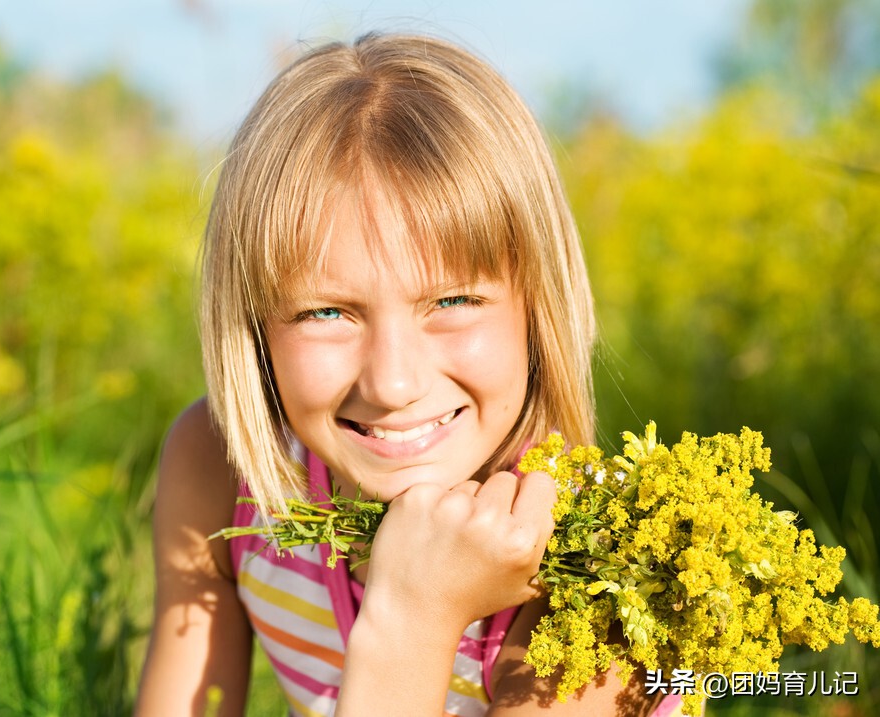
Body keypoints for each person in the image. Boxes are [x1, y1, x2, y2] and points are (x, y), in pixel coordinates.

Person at [135, 32, 685, 717]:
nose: (393, 384)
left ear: (537, 306)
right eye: (326, 312)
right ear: (252, 322)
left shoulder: (601, 569)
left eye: (452, 302)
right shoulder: (221, 473)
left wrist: (415, 616)